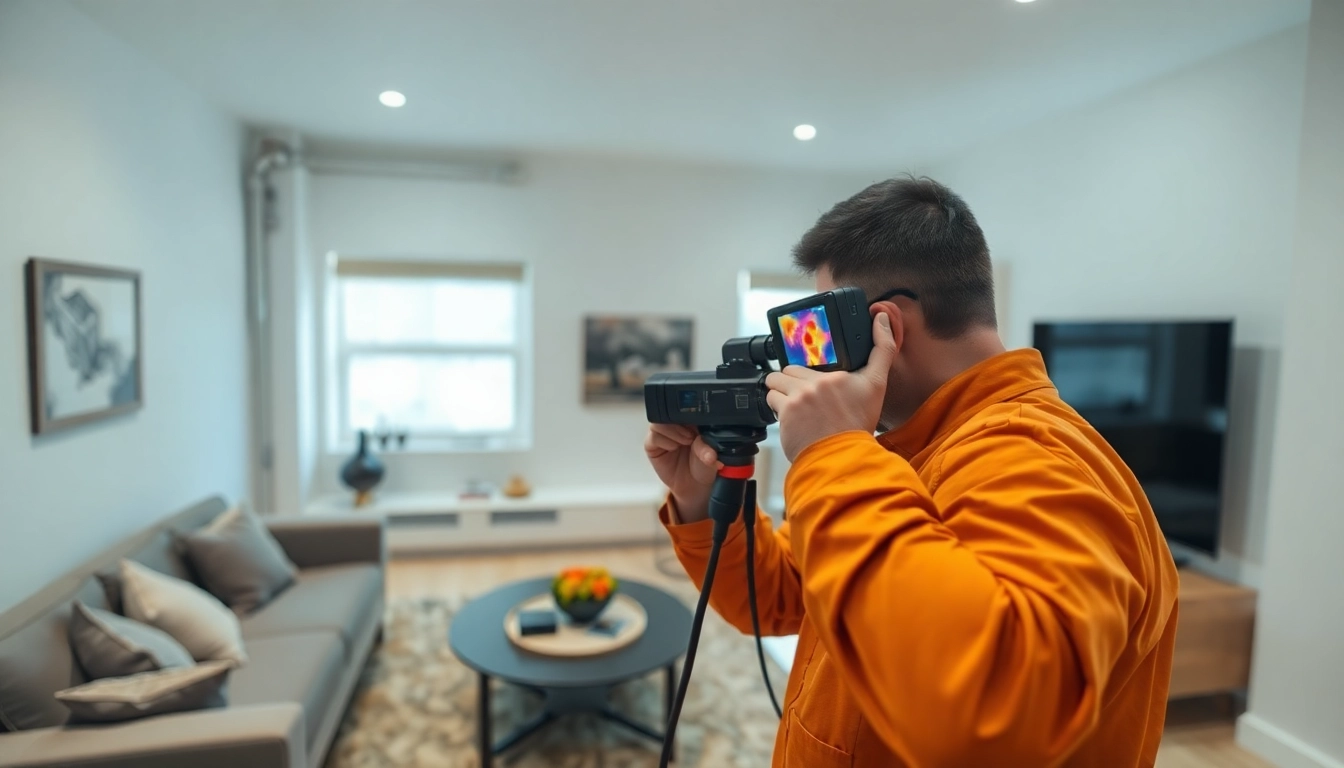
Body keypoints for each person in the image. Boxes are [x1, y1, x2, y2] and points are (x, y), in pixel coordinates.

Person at [644, 177, 1179, 767]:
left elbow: (990, 716)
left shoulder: (1035, 459)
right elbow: (776, 596)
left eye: (817, 339)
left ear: (884, 329)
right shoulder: (907, 453)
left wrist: (834, 452)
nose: (809, 367)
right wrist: (697, 500)